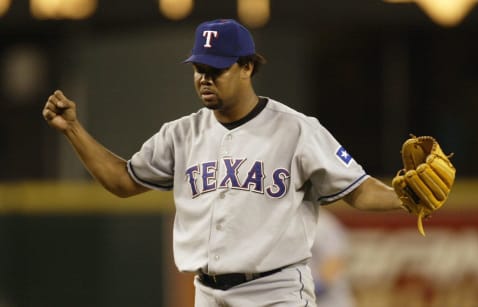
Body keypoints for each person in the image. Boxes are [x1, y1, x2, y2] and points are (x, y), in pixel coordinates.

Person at [42, 19, 404, 306]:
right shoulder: (180, 134)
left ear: (247, 67)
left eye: (216, 69)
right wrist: (73, 129)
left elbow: (358, 189)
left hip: (274, 293)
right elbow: (122, 181)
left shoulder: (296, 129)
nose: (204, 78)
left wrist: (405, 197)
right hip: (208, 293)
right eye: (199, 67)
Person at [308, 209, 356, 307]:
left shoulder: (321, 222)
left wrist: (315, 288)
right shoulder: (285, 222)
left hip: (331, 301)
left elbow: (335, 261)